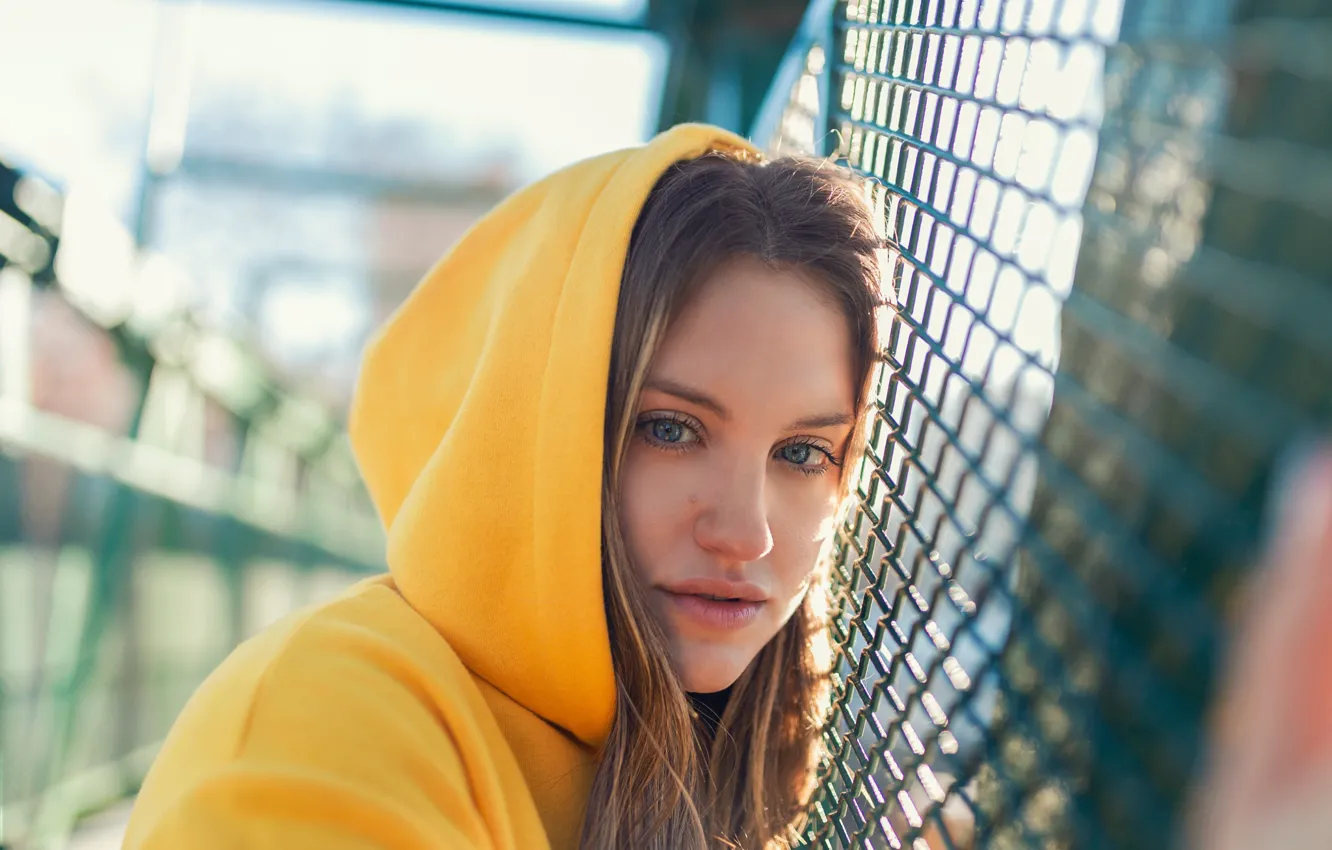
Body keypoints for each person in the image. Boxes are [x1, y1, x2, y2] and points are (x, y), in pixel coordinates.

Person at [122, 124, 889, 850]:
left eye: (803, 452)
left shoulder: (706, 761)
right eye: (668, 429)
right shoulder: (321, 727)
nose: (746, 533)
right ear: (533, 422)